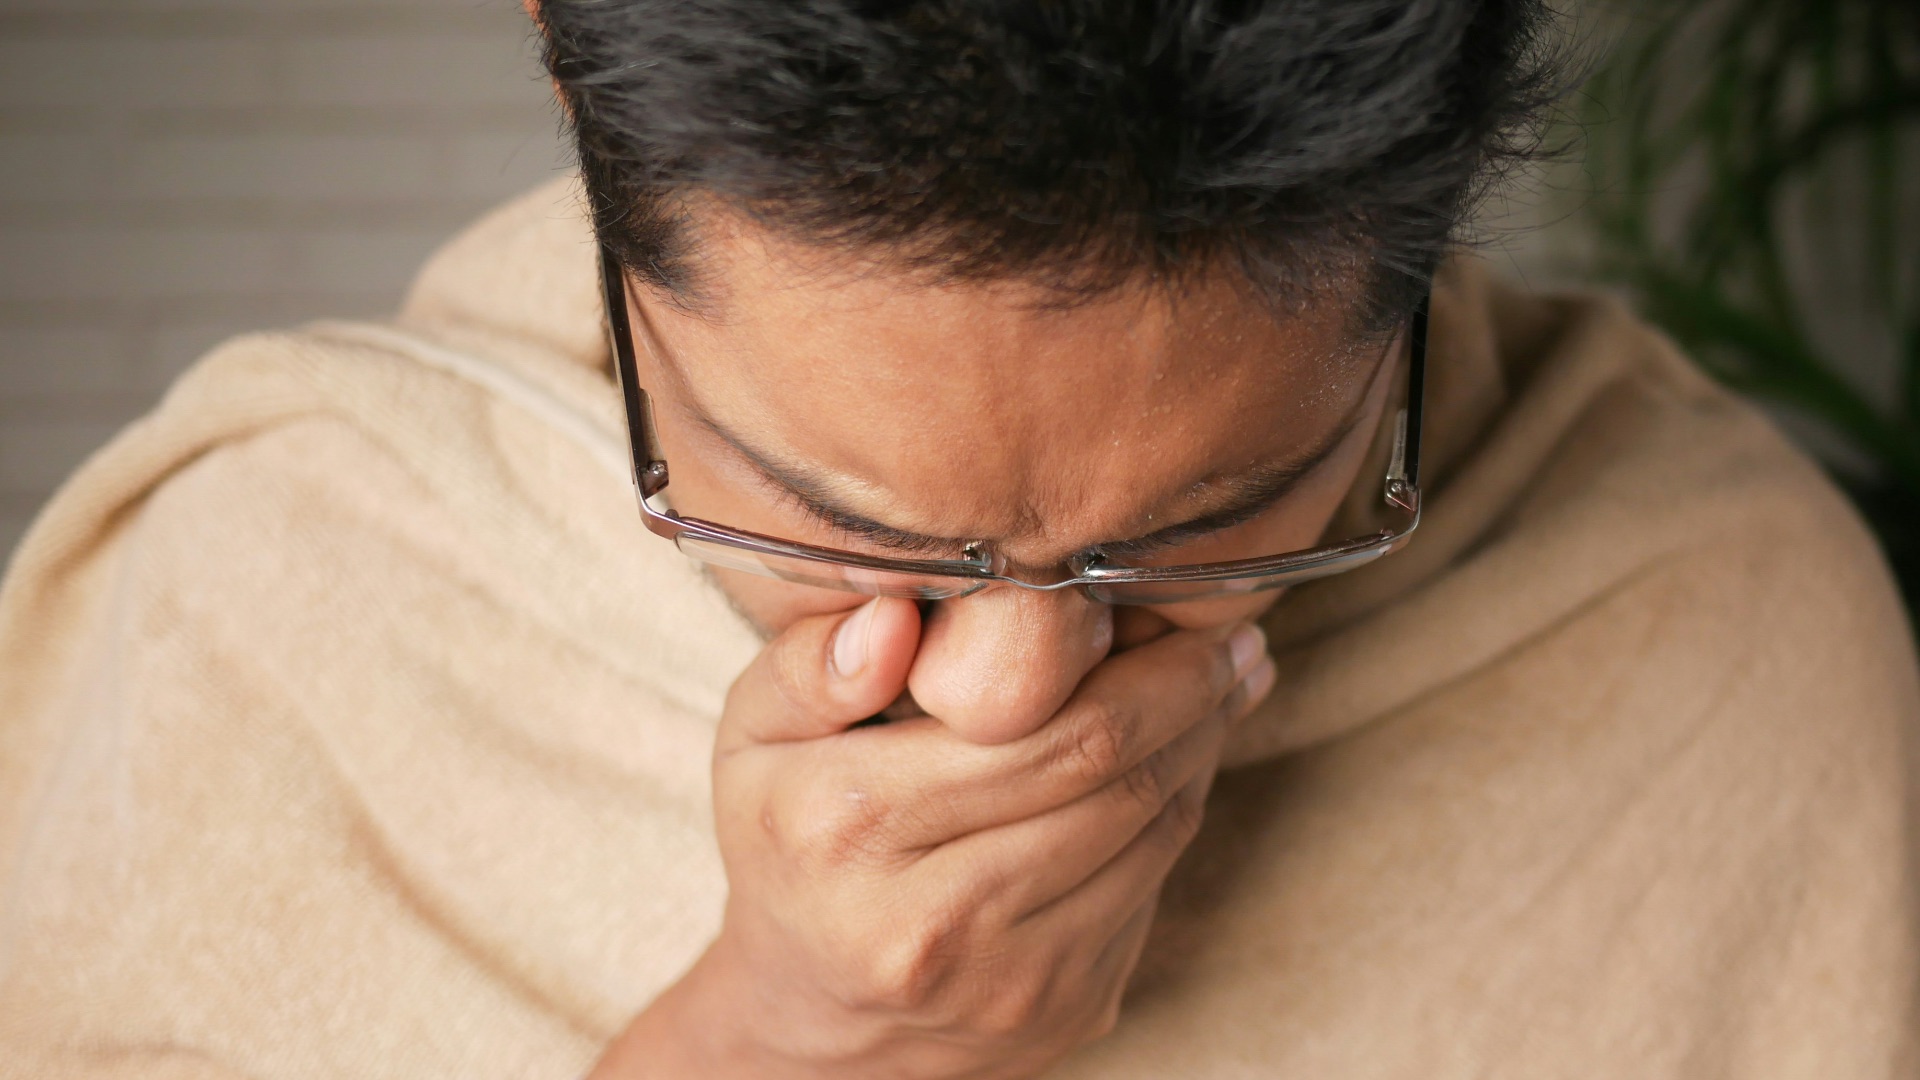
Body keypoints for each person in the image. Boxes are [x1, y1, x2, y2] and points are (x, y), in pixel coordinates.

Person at [1, 1, 1915, 1077]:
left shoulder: (1735, 644)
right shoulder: (259, 599)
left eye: (1227, 518)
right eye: (829, 518)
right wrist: (768, 1044)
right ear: (573, 89)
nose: (1011, 703)